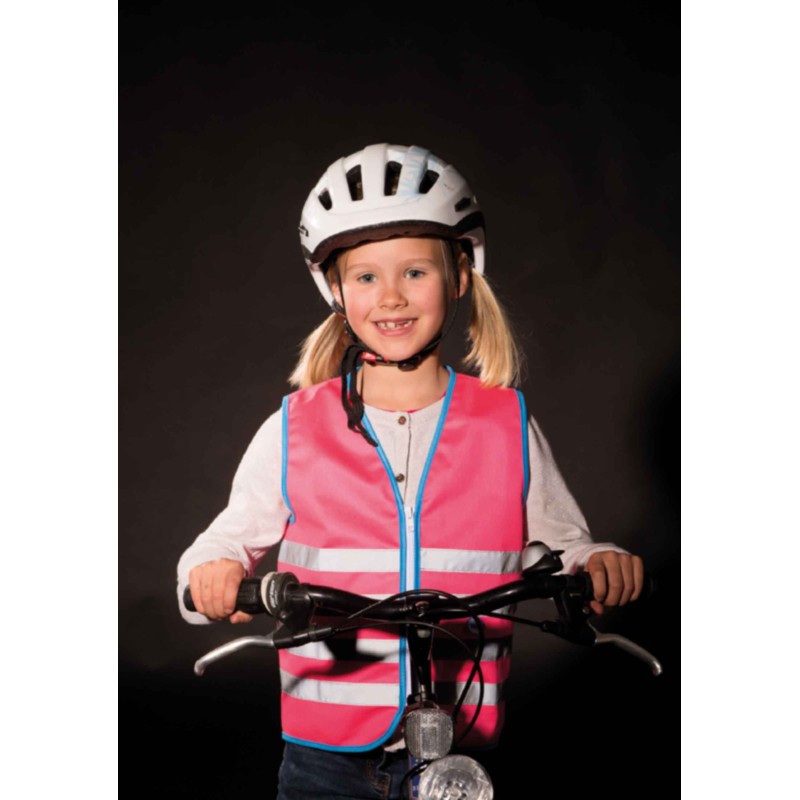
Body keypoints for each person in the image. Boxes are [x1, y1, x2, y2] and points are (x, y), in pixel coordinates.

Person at [176, 142, 645, 799]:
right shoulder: (295, 426)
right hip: (325, 759)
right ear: (336, 290)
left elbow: (564, 544)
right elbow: (223, 542)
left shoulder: (505, 423)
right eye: (366, 277)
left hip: (459, 746)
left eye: (415, 272)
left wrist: (595, 562)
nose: (390, 296)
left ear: (460, 276)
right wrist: (215, 571)